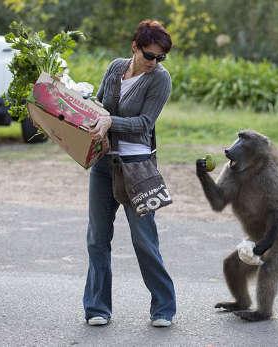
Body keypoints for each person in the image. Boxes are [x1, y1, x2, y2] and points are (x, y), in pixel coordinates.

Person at [83, 19, 175, 328]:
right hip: (102, 165)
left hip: (137, 170)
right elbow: (98, 106)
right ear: (134, 47)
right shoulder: (115, 67)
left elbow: (144, 125)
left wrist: (110, 122)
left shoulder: (160, 80)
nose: (154, 63)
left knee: (144, 240)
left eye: (160, 58)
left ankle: (164, 307)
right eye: (150, 55)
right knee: (97, 237)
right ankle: (97, 307)